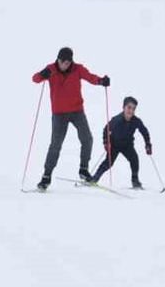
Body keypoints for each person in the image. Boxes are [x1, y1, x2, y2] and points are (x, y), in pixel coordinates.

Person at [31, 47, 110, 190]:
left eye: (68, 63)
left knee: (87, 139)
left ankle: (83, 170)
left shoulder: (77, 69)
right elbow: (35, 79)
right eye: (63, 62)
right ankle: (46, 176)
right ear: (58, 60)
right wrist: (42, 74)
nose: (65, 65)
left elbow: (90, 77)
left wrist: (101, 81)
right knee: (56, 144)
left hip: (77, 111)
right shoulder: (50, 69)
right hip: (59, 114)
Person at [88, 96, 153, 189]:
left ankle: (135, 181)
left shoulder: (136, 121)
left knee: (134, 159)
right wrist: (106, 142)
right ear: (123, 107)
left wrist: (148, 144)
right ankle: (94, 178)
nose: (131, 111)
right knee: (108, 163)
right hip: (114, 145)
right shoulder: (116, 120)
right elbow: (106, 129)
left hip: (127, 145)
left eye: (133, 108)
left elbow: (144, 132)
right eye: (129, 107)